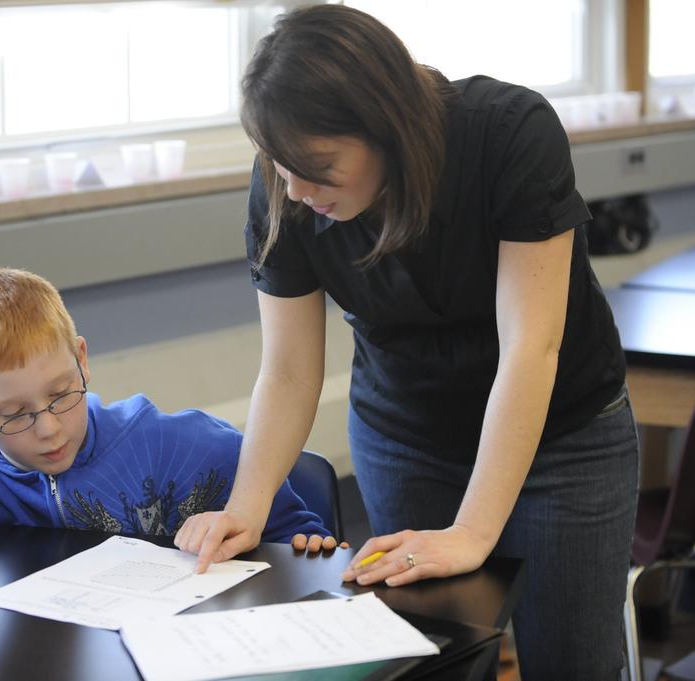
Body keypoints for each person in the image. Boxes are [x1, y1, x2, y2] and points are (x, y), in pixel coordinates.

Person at [173, 6, 638, 680]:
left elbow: (530, 347)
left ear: (384, 124)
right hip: (408, 434)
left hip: (562, 438)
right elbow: (288, 371)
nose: (299, 192)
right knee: (424, 661)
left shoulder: (507, 133)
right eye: (281, 164)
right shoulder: (286, 186)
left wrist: (474, 532)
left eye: (320, 165)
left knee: (573, 663)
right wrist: (247, 506)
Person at [0, 267, 338, 549]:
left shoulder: (182, 446)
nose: (48, 428)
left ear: (82, 360)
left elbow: (292, 534)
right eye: (15, 413)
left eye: (60, 395)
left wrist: (305, 545)